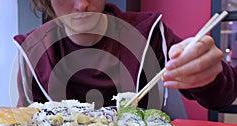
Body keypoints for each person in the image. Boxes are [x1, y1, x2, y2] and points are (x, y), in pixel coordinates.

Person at [14, 0, 237, 114]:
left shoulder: (147, 31)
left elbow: (221, 96)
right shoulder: (33, 51)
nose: (82, 4)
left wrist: (207, 76)